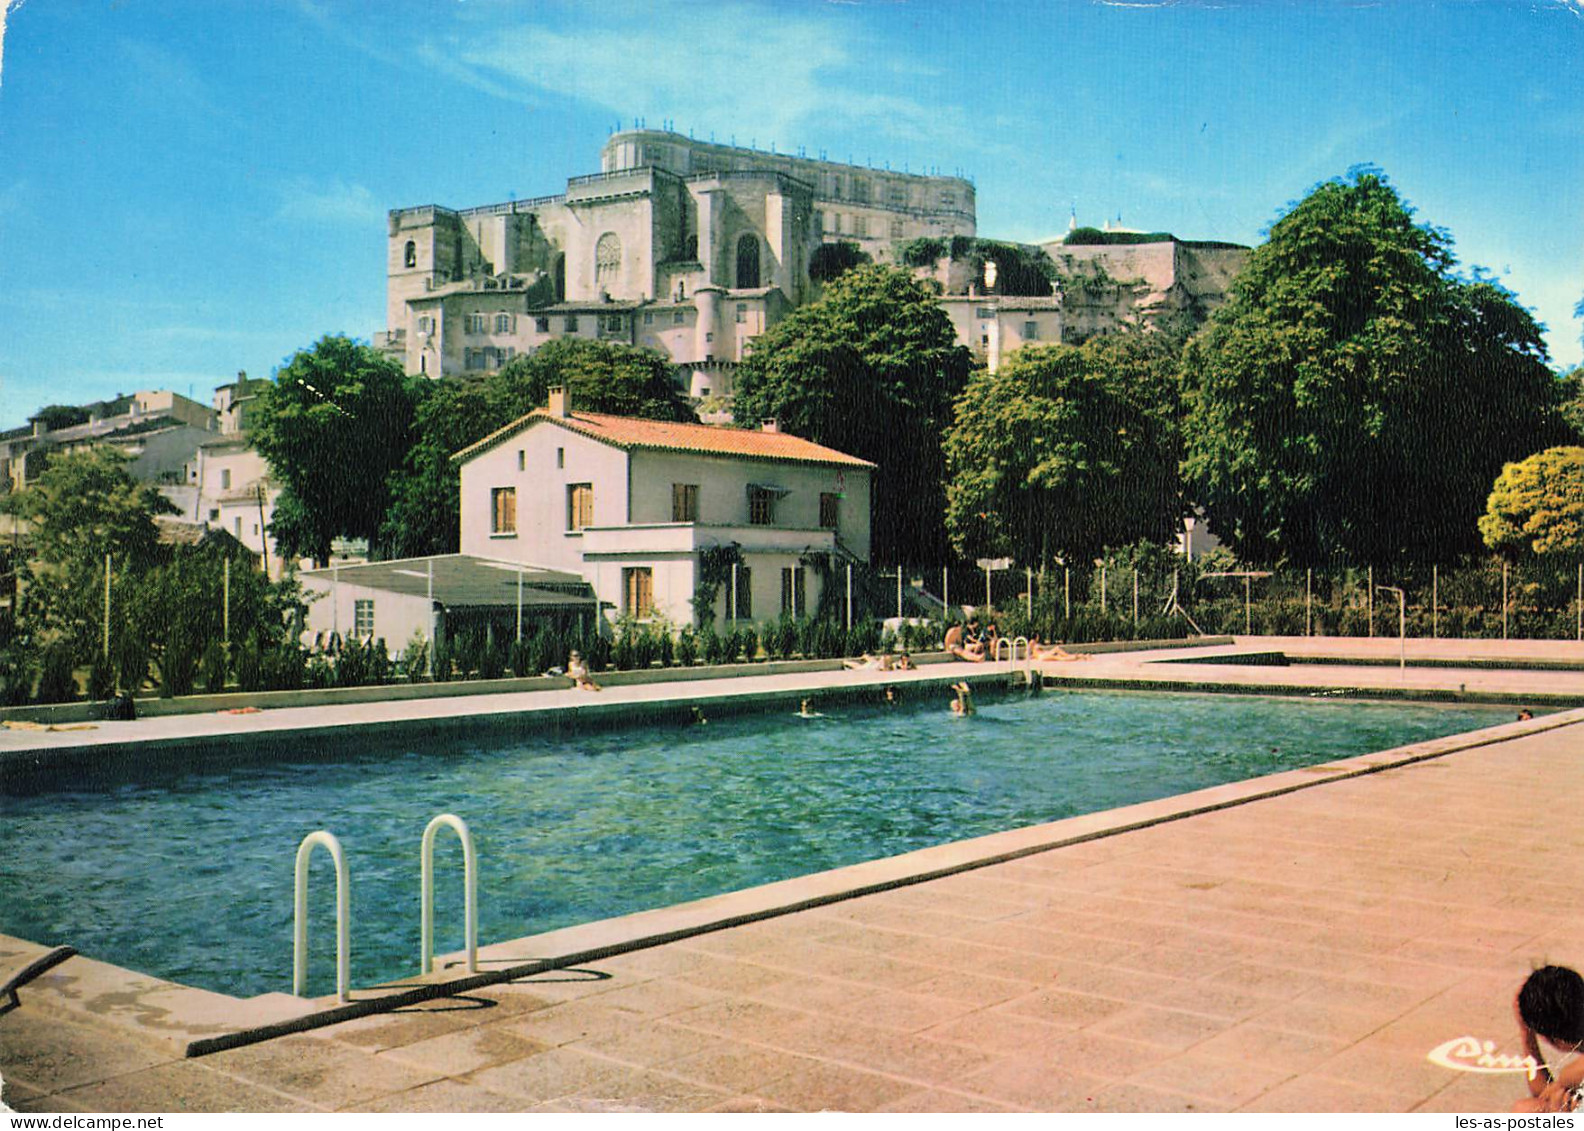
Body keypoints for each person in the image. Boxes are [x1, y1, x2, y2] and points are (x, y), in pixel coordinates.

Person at [1513, 965, 1584, 1112]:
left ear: (1555, 1041)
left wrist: (1564, 1080)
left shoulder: (1573, 1075)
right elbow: (1544, 1093)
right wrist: (1527, 1035)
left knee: (1523, 1111)